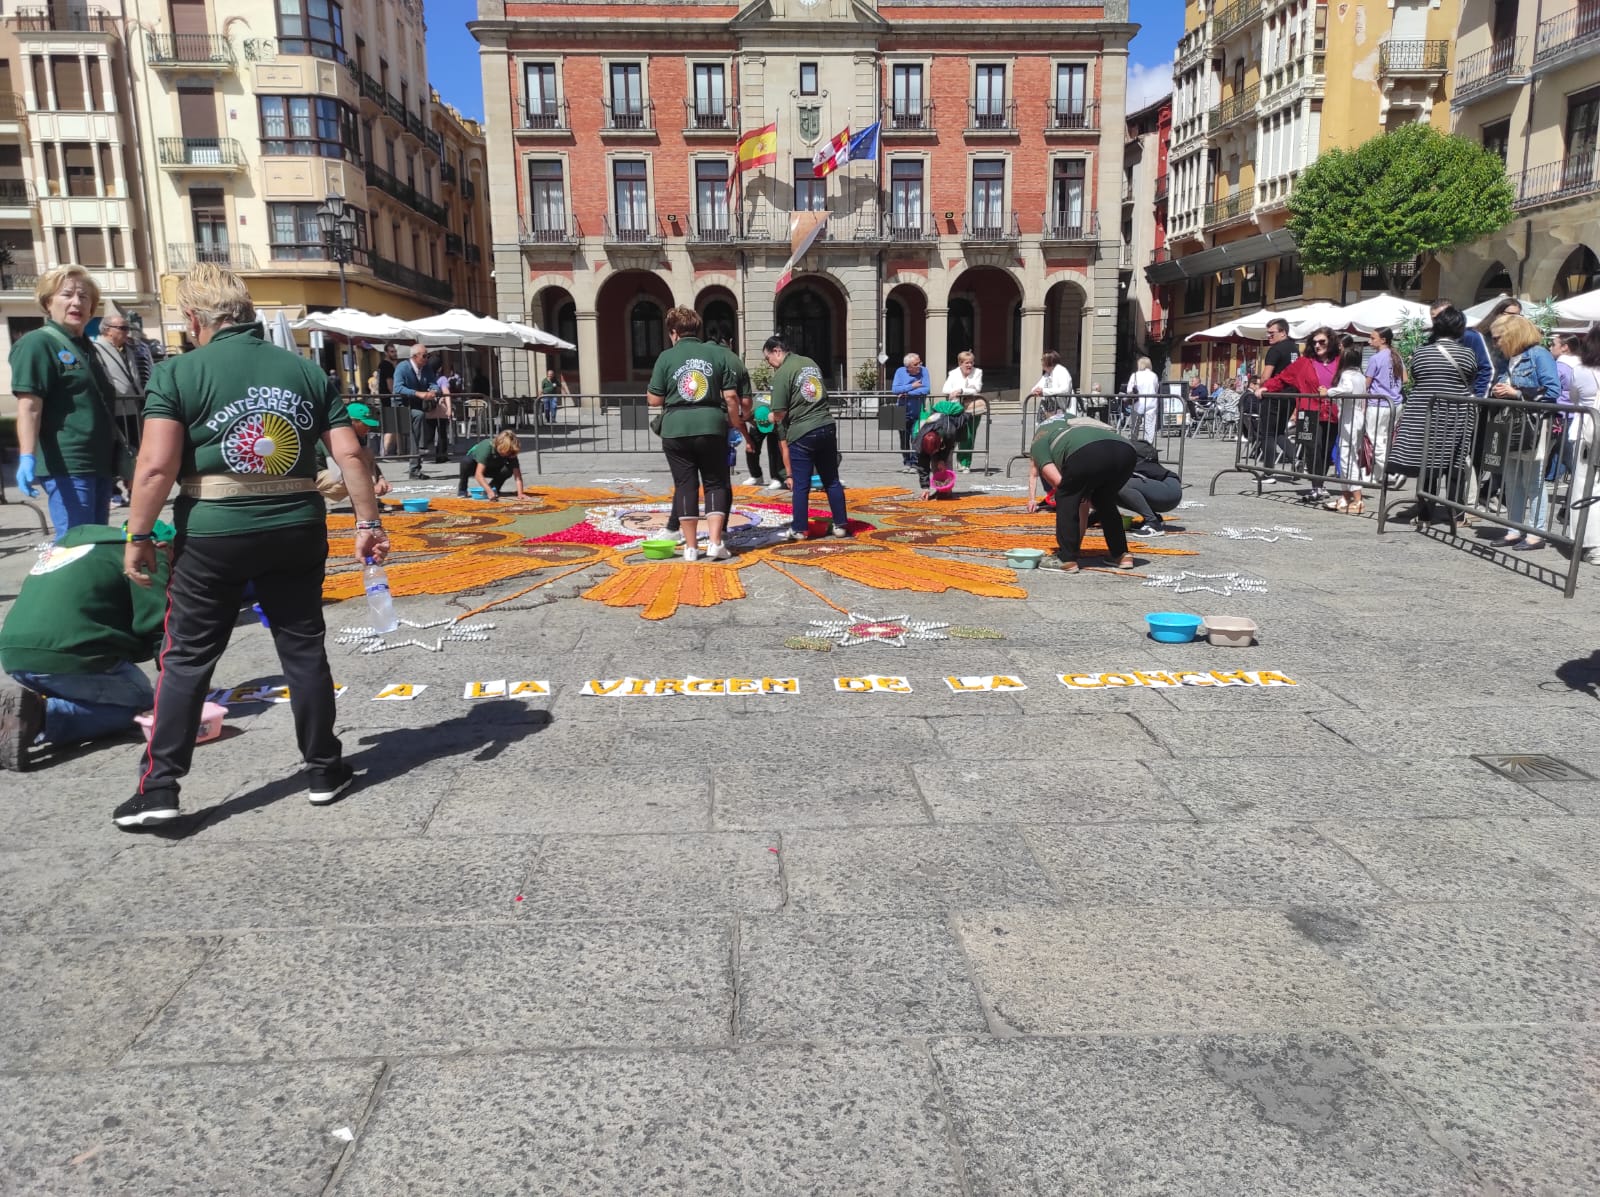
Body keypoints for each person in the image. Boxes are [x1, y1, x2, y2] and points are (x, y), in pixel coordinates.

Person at [112, 262, 389, 828]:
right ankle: (323, 769)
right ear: (246, 312)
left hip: (213, 531)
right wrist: (368, 523)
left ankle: (160, 786)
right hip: (295, 525)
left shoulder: (178, 373)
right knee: (303, 647)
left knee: (187, 657)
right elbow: (353, 456)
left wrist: (138, 534)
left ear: (195, 319)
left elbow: (156, 465)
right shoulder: (305, 371)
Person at [0, 522, 172, 770]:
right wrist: (180, 683)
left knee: (81, 684)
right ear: (165, 544)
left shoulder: (72, 547)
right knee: (145, 704)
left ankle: (25, 709)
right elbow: (159, 626)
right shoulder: (148, 552)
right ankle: (41, 717)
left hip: (14, 654)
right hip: (71, 654)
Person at [9, 265, 120, 538]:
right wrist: (27, 456)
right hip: (69, 465)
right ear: (48, 302)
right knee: (76, 546)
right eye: (67, 294)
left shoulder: (86, 345)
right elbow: (29, 406)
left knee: (96, 544)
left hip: (100, 463)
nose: (77, 302)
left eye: (84, 296)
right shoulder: (37, 344)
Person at [650, 308, 744, 561]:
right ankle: (715, 542)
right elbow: (731, 397)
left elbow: (655, 398)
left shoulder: (666, 357)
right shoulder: (716, 355)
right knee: (715, 482)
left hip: (675, 428)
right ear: (697, 330)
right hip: (712, 425)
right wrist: (734, 423)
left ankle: (690, 548)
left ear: (673, 332)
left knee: (685, 486)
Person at [1390, 305, 1480, 524]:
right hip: (1457, 415)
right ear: (1460, 328)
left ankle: (1425, 514)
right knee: (1455, 464)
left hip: (1425, 414)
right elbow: (1470, 379)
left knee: (1428, 464)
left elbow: (1417, 379)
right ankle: (1456, 515)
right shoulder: (1467, 354)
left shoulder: (1421, 353)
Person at [1026, 414, 1137, 571]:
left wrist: (1075, 493)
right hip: (1126, 451)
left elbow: (1056, 480)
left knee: (1065, 495)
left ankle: (1066, 558)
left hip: (1088, 451)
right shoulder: (1077, 424)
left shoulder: (1039, 439)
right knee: (1103, 499)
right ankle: (1121, 555)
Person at [764, 335, 849, 541]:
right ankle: (841, 525)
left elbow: (780, 411)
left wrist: (769, 416)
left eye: (768, 359)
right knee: (831, 480)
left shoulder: (783, 372)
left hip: (802, 432)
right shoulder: (810, 363)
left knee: (801, 484)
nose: (769, 364)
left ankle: (800, 529)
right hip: (826, 425)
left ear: (777, 351)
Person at [1489, 313, 1562, 550]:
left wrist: (1516, 393)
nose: (1495, 342)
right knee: (1512, 480)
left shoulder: (1539, 355)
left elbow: (1552, 391)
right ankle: (1515, 528)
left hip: (1534, 425)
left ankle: (1536, 532)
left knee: (1532, 481)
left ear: (1512, 335)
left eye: (1498, 337)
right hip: (1511, 424)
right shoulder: (1506, 359)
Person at [1261, 326, 1341, 498]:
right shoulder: (1304, 362)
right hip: (1309, 411)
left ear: (1331, 342)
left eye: (1322, 342)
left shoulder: (1340, 361)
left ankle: (1320, 483)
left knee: (1326, 450)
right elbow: (1282, 378)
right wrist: (1265, 387)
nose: (1318, 345)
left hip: (1333, 412)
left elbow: (1352, 379)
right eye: (1315, 342)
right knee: (1313, 447)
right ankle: (1316, 485)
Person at [1562, 328, 1600, 563]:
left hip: (1587, 433)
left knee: (1585, 489)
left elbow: (1575, 398)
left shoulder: (1580, 371)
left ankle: (1591, 545)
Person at [95, 312, 150, 461]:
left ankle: (133, 480)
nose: (127, 332)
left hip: (134, 407)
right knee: (123, 452)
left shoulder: (128, 348)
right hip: (117, 410)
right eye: (122, 328)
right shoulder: (96, 349)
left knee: (137, 449)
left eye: (127, 328)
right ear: (107, 330)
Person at [1325, 343, 1371, 513]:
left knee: (1346, 456)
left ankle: (1357, 498)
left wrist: (1328, 392)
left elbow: (1346, 389)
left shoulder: (1347, 375)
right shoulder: (1360, 375)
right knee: (1347, 455)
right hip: (1357, 417)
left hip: (1349, 418)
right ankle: (1346, 496)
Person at [315, 402, 391, 502]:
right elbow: (336, 474)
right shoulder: (332, 434)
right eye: (365, 424)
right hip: (316, 476)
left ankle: (368, 499)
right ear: (352, 422)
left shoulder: (357, 435)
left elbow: (369, 460)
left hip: (334, 474)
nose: (368, 428)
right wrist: (368, 486)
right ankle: (365, 499)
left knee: (366, 453)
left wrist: (380, 479)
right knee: (355, 473)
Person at [393, 342, 443, 479]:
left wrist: (434, 390)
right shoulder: (402, 368)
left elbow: (433, 383)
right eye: (425, 356)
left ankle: (416, 464)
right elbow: (398, 388)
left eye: (428, 356)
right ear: (415, 357)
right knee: (419, 418)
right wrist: (418, 393)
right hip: (401, 406)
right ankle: (420, 450)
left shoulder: (426, 368)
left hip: (416, 405)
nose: (427, 359)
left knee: (417, 426)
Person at [1363, 327, 1404, 488]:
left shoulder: (1376, 358)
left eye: (1372, 338)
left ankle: (1393, 472)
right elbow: (1405, 379)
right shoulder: (1396, 356)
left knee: (1376, 439)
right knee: (1386, 440)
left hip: (1378, 403)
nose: (1369, 341)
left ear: (1383, 340)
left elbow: (1367, 382)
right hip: (1395, 403)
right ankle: (1380, 475)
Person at [1256, 317, 1297, 474]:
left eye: (1272, 333)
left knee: (1267, 433)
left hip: (1274, 395)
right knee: (1279, 432)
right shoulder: (1294, 348)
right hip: (1291, 395)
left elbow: (1266, 376)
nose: (1269, 336)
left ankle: (1268, 472)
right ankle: (1296, 459)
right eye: (1268, 333)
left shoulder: (1275, 350)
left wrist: (1260, 390)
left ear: (1283, 332)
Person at [1119, 439, 1182, 537]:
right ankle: (1156, 519)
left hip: (1170, 490)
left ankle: (1153, 524)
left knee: (1122, 485)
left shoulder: (1136, 461)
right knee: (1113, 490)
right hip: (1167, 490)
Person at [913, 397, 968, 499]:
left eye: (935, 450)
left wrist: (942, 459)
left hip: (950, 429)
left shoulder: (948, 432)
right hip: (938, 431)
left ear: (940, 443)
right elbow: (922, 465)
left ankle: (947, 490)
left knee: (945, 462)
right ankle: (939, 489)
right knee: (935, 462)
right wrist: (925, 487)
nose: (934, 453)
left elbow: (948, 448)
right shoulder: (919, 443)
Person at [940, 350, 985, 472]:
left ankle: (965, 463)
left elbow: (977, 388)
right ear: (960, 363)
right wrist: (964, 389)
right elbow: (946, 389)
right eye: (966, 363)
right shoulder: (953, 373)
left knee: (969, 436)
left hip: (972, 408)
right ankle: (948, 461)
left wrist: (961, 390)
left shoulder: (978, 372)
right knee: (954, 434)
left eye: (971, 362)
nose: (970, 365)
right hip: (956, 408)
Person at [458, 430, 529, 500]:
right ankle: (462, 489)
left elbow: (517, 476)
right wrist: (489, 492)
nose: (509, 455)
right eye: (507, 453)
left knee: (508, 469)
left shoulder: (511, 453)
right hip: (475, 466)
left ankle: (494, 487)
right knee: (466, 462)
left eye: (510, 453)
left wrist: (520, 493)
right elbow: (478, 474)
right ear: (501, 447)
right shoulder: (487, 447)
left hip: (493, 467)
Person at [892, 352, 932, 470]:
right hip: (901, 410)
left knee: (917, 437)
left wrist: (906, 393)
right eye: (916, 364)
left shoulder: (924, 371)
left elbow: (926, 389)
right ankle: (907, 462)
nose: (919, 365)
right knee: (903, 438)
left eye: (920, 362)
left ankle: (915, 461)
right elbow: (895, 389)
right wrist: (912, 386)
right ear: (908, 366)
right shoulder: (900, 371)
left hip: (918, 411)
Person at [1029, 351, 1077, 418]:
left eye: (1043, 360)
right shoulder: (1047, 374)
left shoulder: (1061, 371)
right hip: (1050, 411)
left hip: (1063, 409)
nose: (1041, 362)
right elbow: (1036, 388)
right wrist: (1035, 391)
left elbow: (1064, 389)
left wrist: (1044, 391)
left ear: (1049, 361)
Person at [1124, 355, 1160, 441]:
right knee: (1149, 426)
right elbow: (1156, 388)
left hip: (1137, 403)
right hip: (1151, 402)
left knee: (1135, 425)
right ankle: (1148, 445)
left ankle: (1133, 442)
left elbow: (1129, 390)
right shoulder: (1153, 375)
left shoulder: (1135, 375)